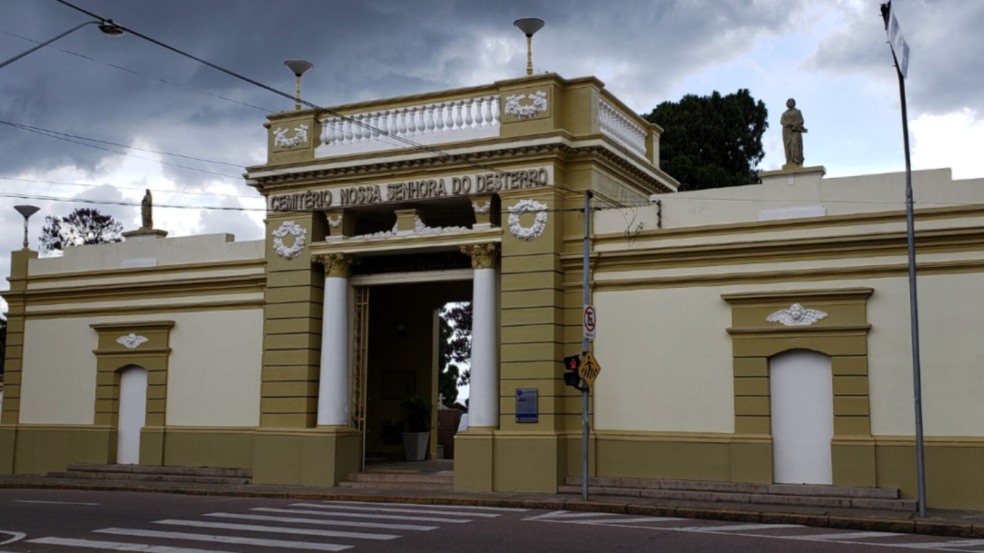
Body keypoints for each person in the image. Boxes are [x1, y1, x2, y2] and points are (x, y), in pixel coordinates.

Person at [781, 98, 807, 167]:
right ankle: (789, 160)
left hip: (795, 130)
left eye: (791, 101)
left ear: (794, 103)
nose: (789, 103)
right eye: (788, 102)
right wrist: (787, 124)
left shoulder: (798, 111)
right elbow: (782, 121)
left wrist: (793, 124)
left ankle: (796, 160)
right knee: (787, 145)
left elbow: (801, 121)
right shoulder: (784, 113)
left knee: (795, 143)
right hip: (786, 131)